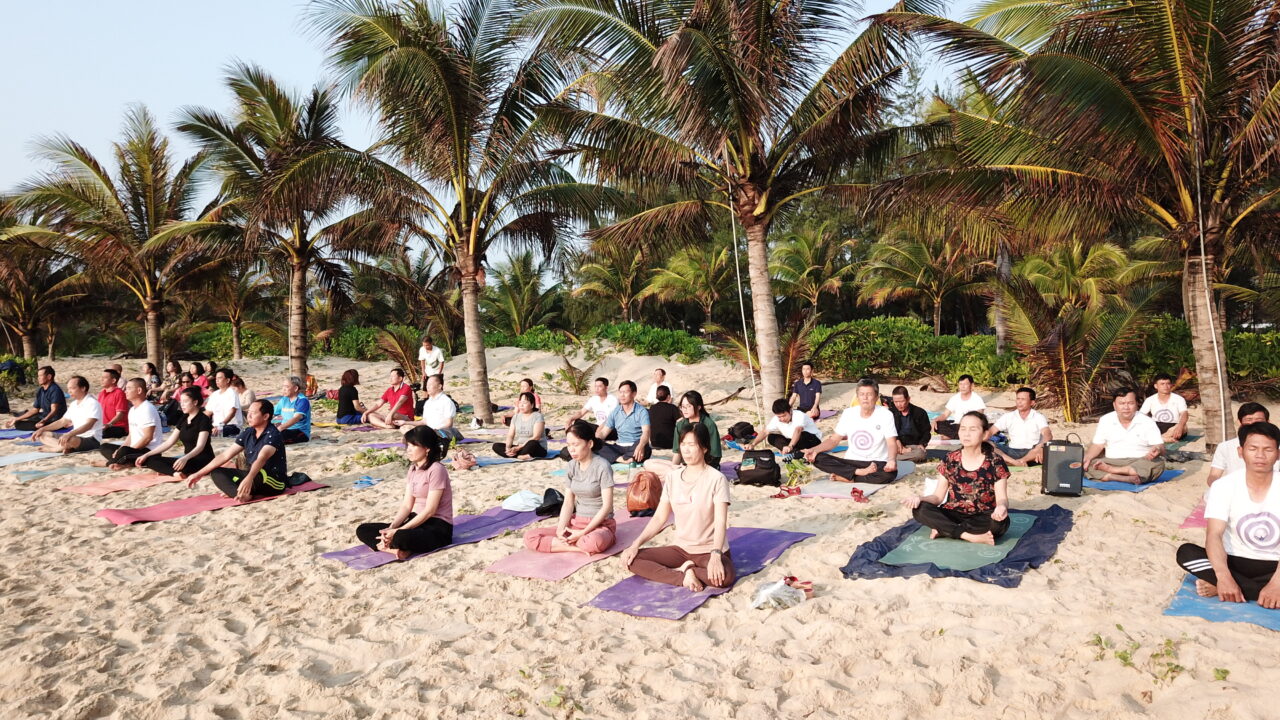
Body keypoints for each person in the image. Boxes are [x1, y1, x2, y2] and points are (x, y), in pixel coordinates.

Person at [1175, 421, 1280, 607]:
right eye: (1253, 449)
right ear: (1241, 452)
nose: (1260, 455)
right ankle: (1237, 587)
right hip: (1235, 562)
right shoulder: (1223, 486)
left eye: (1268, 450)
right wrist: (1223, 577)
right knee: (1186, 553)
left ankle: (1236, 589)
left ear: (1278, 454)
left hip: (1275, 565)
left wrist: (1277, 583)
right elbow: (1214, 535)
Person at [622, 423, 735, 592]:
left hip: (708, 550)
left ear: (704, 448)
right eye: (683, 444)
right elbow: (659, 518)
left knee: (725, 577)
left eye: (692, 445)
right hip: (681, 550)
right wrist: (635, 544)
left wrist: (716, 554)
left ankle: (689, 569)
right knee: (632, 559)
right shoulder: (673, 478)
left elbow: (720, 522)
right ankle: (684, 575)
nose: (686, 450)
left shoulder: (716, 479)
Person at [902, 411, 1011, 545]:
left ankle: (945, 529)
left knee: (1001, 523)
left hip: (982, 516)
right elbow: (937, 497)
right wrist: (920, 498)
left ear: (984, 434)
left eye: (973, 429)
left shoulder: (995, 461)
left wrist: (1001, 507)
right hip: (954, 513)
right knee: (920, 509)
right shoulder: (950, 459)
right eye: (963, 428)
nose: (966, 434)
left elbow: (1002, 498)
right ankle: (968, 536)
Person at [355, 426, 453, 559]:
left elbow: (430, 510)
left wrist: (399, 531)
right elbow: (407, 505)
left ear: (427, 448)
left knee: (400, 537)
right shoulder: (413, 469)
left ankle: (390, 547)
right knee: (363, 530)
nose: (409, 450)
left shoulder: (436, 469)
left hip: (436, 527)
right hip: (414, 521)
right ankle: (395, 550)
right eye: (408, 445)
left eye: (413, 445)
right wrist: (392, 527)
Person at [524, 420, 616, 553]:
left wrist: (583, 532)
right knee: (530, 537)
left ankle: (573, 544)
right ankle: (575, 548)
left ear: (590, 444)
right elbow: (568, 502)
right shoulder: (572, 465)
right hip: (577, 522)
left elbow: (607, 507)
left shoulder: (602, 466)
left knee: (594, 542)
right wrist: (560, 529)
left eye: (576, 444)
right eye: (568, 445)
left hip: (600, 525)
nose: (571, 449)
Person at [184, 399, 288, 501]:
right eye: (248, 412)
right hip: (252, 475)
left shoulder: (273, 434)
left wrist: (249, 478)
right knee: (216, 472)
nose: (249, 416)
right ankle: (240, 494)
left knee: (258, 475)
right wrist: (199, 474)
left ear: (265, 416)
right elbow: (225, 455)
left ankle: (242, 491)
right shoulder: (248, 432)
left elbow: (262, 458)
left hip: (273, 480)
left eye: (253, 413)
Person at [804, 379, 901, 483]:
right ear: (857, 397)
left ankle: (847, 477)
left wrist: (891, 460)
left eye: (869, 394)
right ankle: (857, 472)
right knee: (818, 458)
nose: (865, 398)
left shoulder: (885, 414)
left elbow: (891, 443)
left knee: (889, 474)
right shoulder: (848, 413)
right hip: (851, 461)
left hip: (876, 462)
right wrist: (814, 450)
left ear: (876, 397)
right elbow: (833, 440)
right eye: (862, 394)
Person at [1082, 387, 1166, 484]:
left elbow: (1161, 448)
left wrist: (1157, 449)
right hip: (1112, 461)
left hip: (1139, 462)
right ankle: (1121, 477)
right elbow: (1098, 445)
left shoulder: (1147, 421)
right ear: (1114, 405)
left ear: (1137, 404)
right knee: (1088, 464)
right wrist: (1088, 457)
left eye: (1130, 403)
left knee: (1159, 464)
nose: (1126, 407)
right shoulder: (1106, 420)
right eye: (1121, 403)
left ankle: (1111, 472)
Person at [135, 387, 214, 478]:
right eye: (181, 401)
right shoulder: (184, 418)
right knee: (150, 459)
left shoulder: (203, 419)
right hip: (186, 459)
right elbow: (169, 442)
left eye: (185, 401)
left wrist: (185, 458)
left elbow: (200, 446)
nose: (182, 404)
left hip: (202, 461)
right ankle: (175, 473)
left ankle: (173, 472)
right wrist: (147, 454)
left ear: (195, 402)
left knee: (178, 464)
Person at [645, 390, 723, 475]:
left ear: (698, 407)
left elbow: (715, 455)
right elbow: (677, 453)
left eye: (688, 406)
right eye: (682, 407)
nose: (684, 410)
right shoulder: (680, 425)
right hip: (685, 465)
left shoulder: (709, 424)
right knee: (648, 463)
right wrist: (674, 468)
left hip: (704, 465)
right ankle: (676, 473)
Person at [97, 378, 166, 469]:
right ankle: (124, 462)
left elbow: (147, 438)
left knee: (124, 451)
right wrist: (120, 450)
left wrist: (128, 450)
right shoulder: (132, 410)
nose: (125, 391)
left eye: (129, 388)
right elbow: (131, 435)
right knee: (104, 447)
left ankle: (110, 463)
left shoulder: (147, 409)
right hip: (133, 449)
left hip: (149, 451)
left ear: (139, 390)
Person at [1209, 403, 1279, 484]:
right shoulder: (1225, 447)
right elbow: (1214, 475)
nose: (1253, 424)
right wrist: (1218, 487)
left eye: (1258, 421)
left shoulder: (1276, 445)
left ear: (1268, 422)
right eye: (1249, 420)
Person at [32, 375, 102, 454]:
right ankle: (64, 447)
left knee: (70, 440)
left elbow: (88, 425)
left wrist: (70, 434)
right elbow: (62, 421)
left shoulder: (92, 403)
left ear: (83, 388)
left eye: (72, 388)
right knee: (42, 435)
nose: (69, 391)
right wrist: (42, 429)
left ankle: (55, 449)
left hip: (90, 439)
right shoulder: (74, 404)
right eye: (68, 389)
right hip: (75, 436)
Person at [987, 387, 1052, 466]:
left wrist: (1040, 447)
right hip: (1011, 451)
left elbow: (1047, 434)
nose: (1019, 402)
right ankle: (1014, 462)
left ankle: (1019, 461)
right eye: (1018, 399)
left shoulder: (1038, 417)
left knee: (1045, 450)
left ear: (1032, 403)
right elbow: (991, 431)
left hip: (1031, 451)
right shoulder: (1008, 416)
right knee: (987, 445)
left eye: (1023, 399)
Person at [595, 380, 650, 464]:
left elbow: (646, 432)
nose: (622, 395)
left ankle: (616, 457)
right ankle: (623, 459)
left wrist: (641, 445)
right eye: (620, 392)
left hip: (635, 446)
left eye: (625, 392)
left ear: (634, 394)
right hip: (619, 447)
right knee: (597, 445)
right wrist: (595, 440)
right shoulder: (615, 411)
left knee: (646, 447)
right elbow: (604, 433)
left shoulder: (642, 411)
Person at [748, 398, 823, 455]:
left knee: (802, 435)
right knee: (771, 437)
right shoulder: (776, 419)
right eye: (779, 417)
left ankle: (792, 450)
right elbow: (765, 432)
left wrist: (790, 446)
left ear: (790, 411)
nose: (782, 419)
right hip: (794, 442)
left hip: (812, 440)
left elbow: (798, 430)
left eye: (784, 416)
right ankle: (793, 451)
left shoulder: (799, 415)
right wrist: (753, 444)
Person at [398, 374, 460, 441]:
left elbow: (449, 424)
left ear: (439, 386)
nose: (427, 387)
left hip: (440, 432)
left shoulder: (446, 401)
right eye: (427, 385)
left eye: (430, 385)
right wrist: (405, 422)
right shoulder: (428, 402)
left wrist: (433, 431)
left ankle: (420, 440)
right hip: (428, 430)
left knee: (412, 435)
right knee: (404, 427)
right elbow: (424, 422)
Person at [8, 366, 65, 431]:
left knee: (21, 425)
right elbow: (35, 410)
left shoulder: (55, 390)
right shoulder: (40, 390)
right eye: (38, 376)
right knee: (18, 421)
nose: (38, 378)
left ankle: (42, 426)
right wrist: (17, 419)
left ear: (49, 377)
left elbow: (54, 411)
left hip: (55, 420)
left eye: (41, 376)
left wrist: (44, 421)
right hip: (44, 415)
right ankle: (38, 425)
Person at [494, 392, 547, 459]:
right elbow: (510, 435)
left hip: (536, 447)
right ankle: (519, 455)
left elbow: (536, 437)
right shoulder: (516, 417)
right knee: (496, 446)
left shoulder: (538, 416)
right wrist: (508, 448)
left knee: (532, 443)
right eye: (520, 402)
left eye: (524, 403)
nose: (521, 405)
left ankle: (519, 455)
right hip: (520, 448)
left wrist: (518, 448)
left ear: (532, 405)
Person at [932, 374, 986, 440]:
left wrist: (966, 423)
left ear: (972, 385)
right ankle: (958, 436)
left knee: (983, 428)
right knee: (937, 425)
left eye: (965, 384)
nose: (962, 387)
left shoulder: (977, 399)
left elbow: (979, 417)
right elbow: (945, 415)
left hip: (970, 426)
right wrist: (935, 420)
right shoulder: (955, 398)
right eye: (960, 384)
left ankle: (952, 436)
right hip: (956, 425)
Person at [1140, 373, 1190, 442]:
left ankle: (1159, 438)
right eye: (1162, 384)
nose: (1166, 386)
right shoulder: (1150, 400)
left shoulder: (1179, 399)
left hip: (1173, 426)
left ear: (1171, 385)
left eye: (1168, 383)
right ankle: (1164, 438)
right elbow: (1141, 415)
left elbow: (1184, 413)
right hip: (1156, 426)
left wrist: (1180, 426)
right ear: (1156, 386)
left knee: (1184, 427)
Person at [889, 386, 931, 462]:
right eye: (896, 402)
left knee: (920, 454)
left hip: (912, 446)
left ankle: (892, 458)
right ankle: (896, 457)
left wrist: (922, 444)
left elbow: (926, 432)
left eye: (901, 401)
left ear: (908, 399)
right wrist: (896, 440)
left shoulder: (920, 412)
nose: (898, 404)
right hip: (895, 444)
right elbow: (887, 431)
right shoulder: (890, 413)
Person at [273, 376, 312, 444]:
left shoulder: (302, 400)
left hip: (300, 431)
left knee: (276, 437)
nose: (284, 389)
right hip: (285, 429)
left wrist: (280, 427)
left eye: (286, 387)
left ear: (295, 388)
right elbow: (273, 413)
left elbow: (296, 418)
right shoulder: (284, 400)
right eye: (283, 386)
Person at [206, 368, 243, 437]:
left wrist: (221, 425)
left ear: (227, 380)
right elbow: (207, 412)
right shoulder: (214, 394)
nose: (217, 380)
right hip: (216, 426)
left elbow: (232, 412)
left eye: (219, 378)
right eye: (216, 378)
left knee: (217, 432)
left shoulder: (232, 393)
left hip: (232, 426)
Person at [97, 368, 130, 440]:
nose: (101, 379)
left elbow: (120, 414)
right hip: (104, 426)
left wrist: (109, 424)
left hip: (118, 427)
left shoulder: (119, 393)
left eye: (104, 378)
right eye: (101, 377)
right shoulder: (101, 393)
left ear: (113, 380)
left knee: (97, 434)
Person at [647, 385, 681, 450]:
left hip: (654, 442)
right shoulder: (672, 408)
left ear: (656, 396)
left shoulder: (652, 408)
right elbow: (681, 423)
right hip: (669, 443)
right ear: (668, 396)